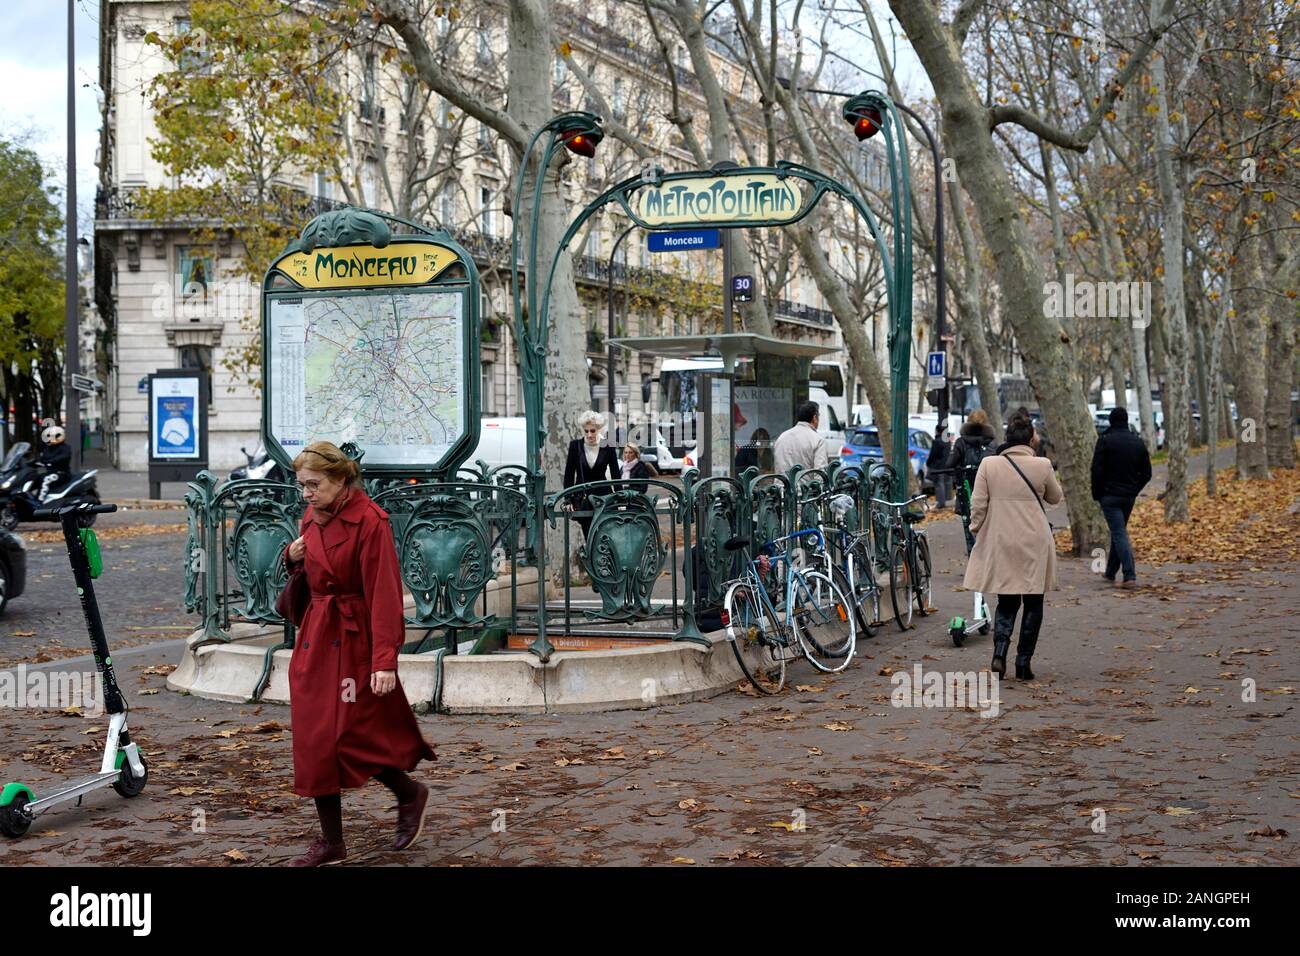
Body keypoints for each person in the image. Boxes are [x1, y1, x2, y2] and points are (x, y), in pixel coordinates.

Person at [283, 441, 435, 866]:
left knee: (350, 736)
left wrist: (385, 660)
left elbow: (385, 596)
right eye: (302, 486)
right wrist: (291, 556)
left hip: (354, 642)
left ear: (341, 479)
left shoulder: (371, 522)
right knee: (315, 740)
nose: (307, 493)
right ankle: (332, 843)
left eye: (314, 484)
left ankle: (408, 792)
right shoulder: (312, 517)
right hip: (316, 638)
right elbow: (311, 571)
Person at [963, 413, 1064, 681]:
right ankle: (1023, 663)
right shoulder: (1042, 465)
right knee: (1034, 602)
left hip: (1001, 539)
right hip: (1034, 541)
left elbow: (978, 504)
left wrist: (977, 529)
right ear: (1031, 438)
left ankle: (999, 654)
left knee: (1006, 601)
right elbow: (1055, 497)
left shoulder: (989, 464)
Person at [1090, 406, 1152, 588]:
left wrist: (1097, 493)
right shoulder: (1138, 442)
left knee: (1118, 533)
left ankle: (1129, 575)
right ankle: (1110, 572)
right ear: (1126, 421)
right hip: (1128, 497)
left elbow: (1096, 470)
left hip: (1109, 496)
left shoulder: (1105, 441)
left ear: (1111, 421)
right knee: (1119, 532)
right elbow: (1147, 473)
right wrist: (1134, 489)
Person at [563, 410, 620, 539]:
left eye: (592, 431)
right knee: (589, 538)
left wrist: (620, 500)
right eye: (586, 431)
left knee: (605, 537)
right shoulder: (575, 446)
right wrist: (567, 500)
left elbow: (616, 474)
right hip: (582, 498)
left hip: (604, 498)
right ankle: (591, 559)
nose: (589, 434)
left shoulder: (608, 446)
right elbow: (569, 475)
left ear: (598, 429)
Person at [950, 410, 997, 555]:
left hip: (966, 488)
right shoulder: (992, 444)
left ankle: (973, 554)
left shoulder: (961, 442)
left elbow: (951, 463)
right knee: (989, 521)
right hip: (989, 489)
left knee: (969, 521)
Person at [773, 401, 829, 475]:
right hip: (805, 486)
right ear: (815, 418)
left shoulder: (781, 437)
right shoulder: (818, 440)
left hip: (782, 486)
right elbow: (820, 474)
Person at [37, 424, 72, 497]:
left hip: (62, 473)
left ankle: (40, 501)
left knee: (46, 480)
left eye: (52, 436)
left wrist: (51, 461)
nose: (50, 438)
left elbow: (63, 457)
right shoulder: (48, 448)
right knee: (35, 478)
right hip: (50, 472)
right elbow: (43, 458)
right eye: (49, 436)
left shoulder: (65, 448)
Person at [926, 424, 951, 509]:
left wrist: (928, 462)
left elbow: (933, 454)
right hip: (944, 465)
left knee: (938, 484)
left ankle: (940, 502)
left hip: (936, 466)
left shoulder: (937, 441)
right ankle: (941, 502)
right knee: (941, 483)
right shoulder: (947, 441)